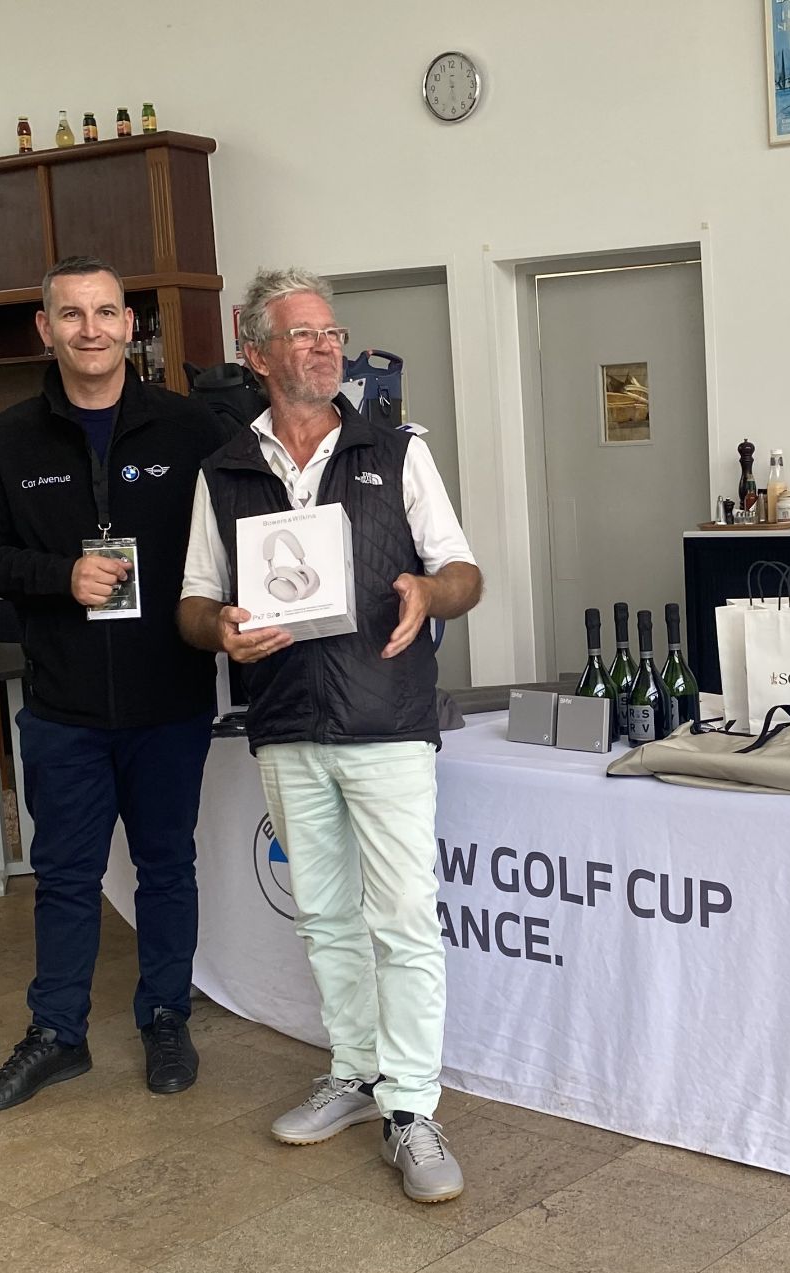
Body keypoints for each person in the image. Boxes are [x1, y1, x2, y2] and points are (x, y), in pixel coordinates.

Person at [178, 267, 483, 1203]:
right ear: (255, 351)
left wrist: (429, 592)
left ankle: (411, 1107)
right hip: (285, 724)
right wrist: (219, 628)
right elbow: (193, 600)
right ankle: (354, 1072)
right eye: (302, 334)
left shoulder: (396, 451)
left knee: (403, 918)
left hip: (386, 721)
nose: (324, 347)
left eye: (331, 332)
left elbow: (464, 572)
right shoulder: (225, 469)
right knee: (323, 917)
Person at [0, 256, 237, 1112]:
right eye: (71, 314)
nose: (91, 329)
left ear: (128, 325)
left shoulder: (189, 429)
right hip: (63, 705)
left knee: (166, 867)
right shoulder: (8, 439)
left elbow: (236, 534)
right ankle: (57, 1034)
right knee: (65, 876)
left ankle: (165, 1015)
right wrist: (57, 575)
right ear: (46, 328)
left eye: (106, 312)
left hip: (169, 697)